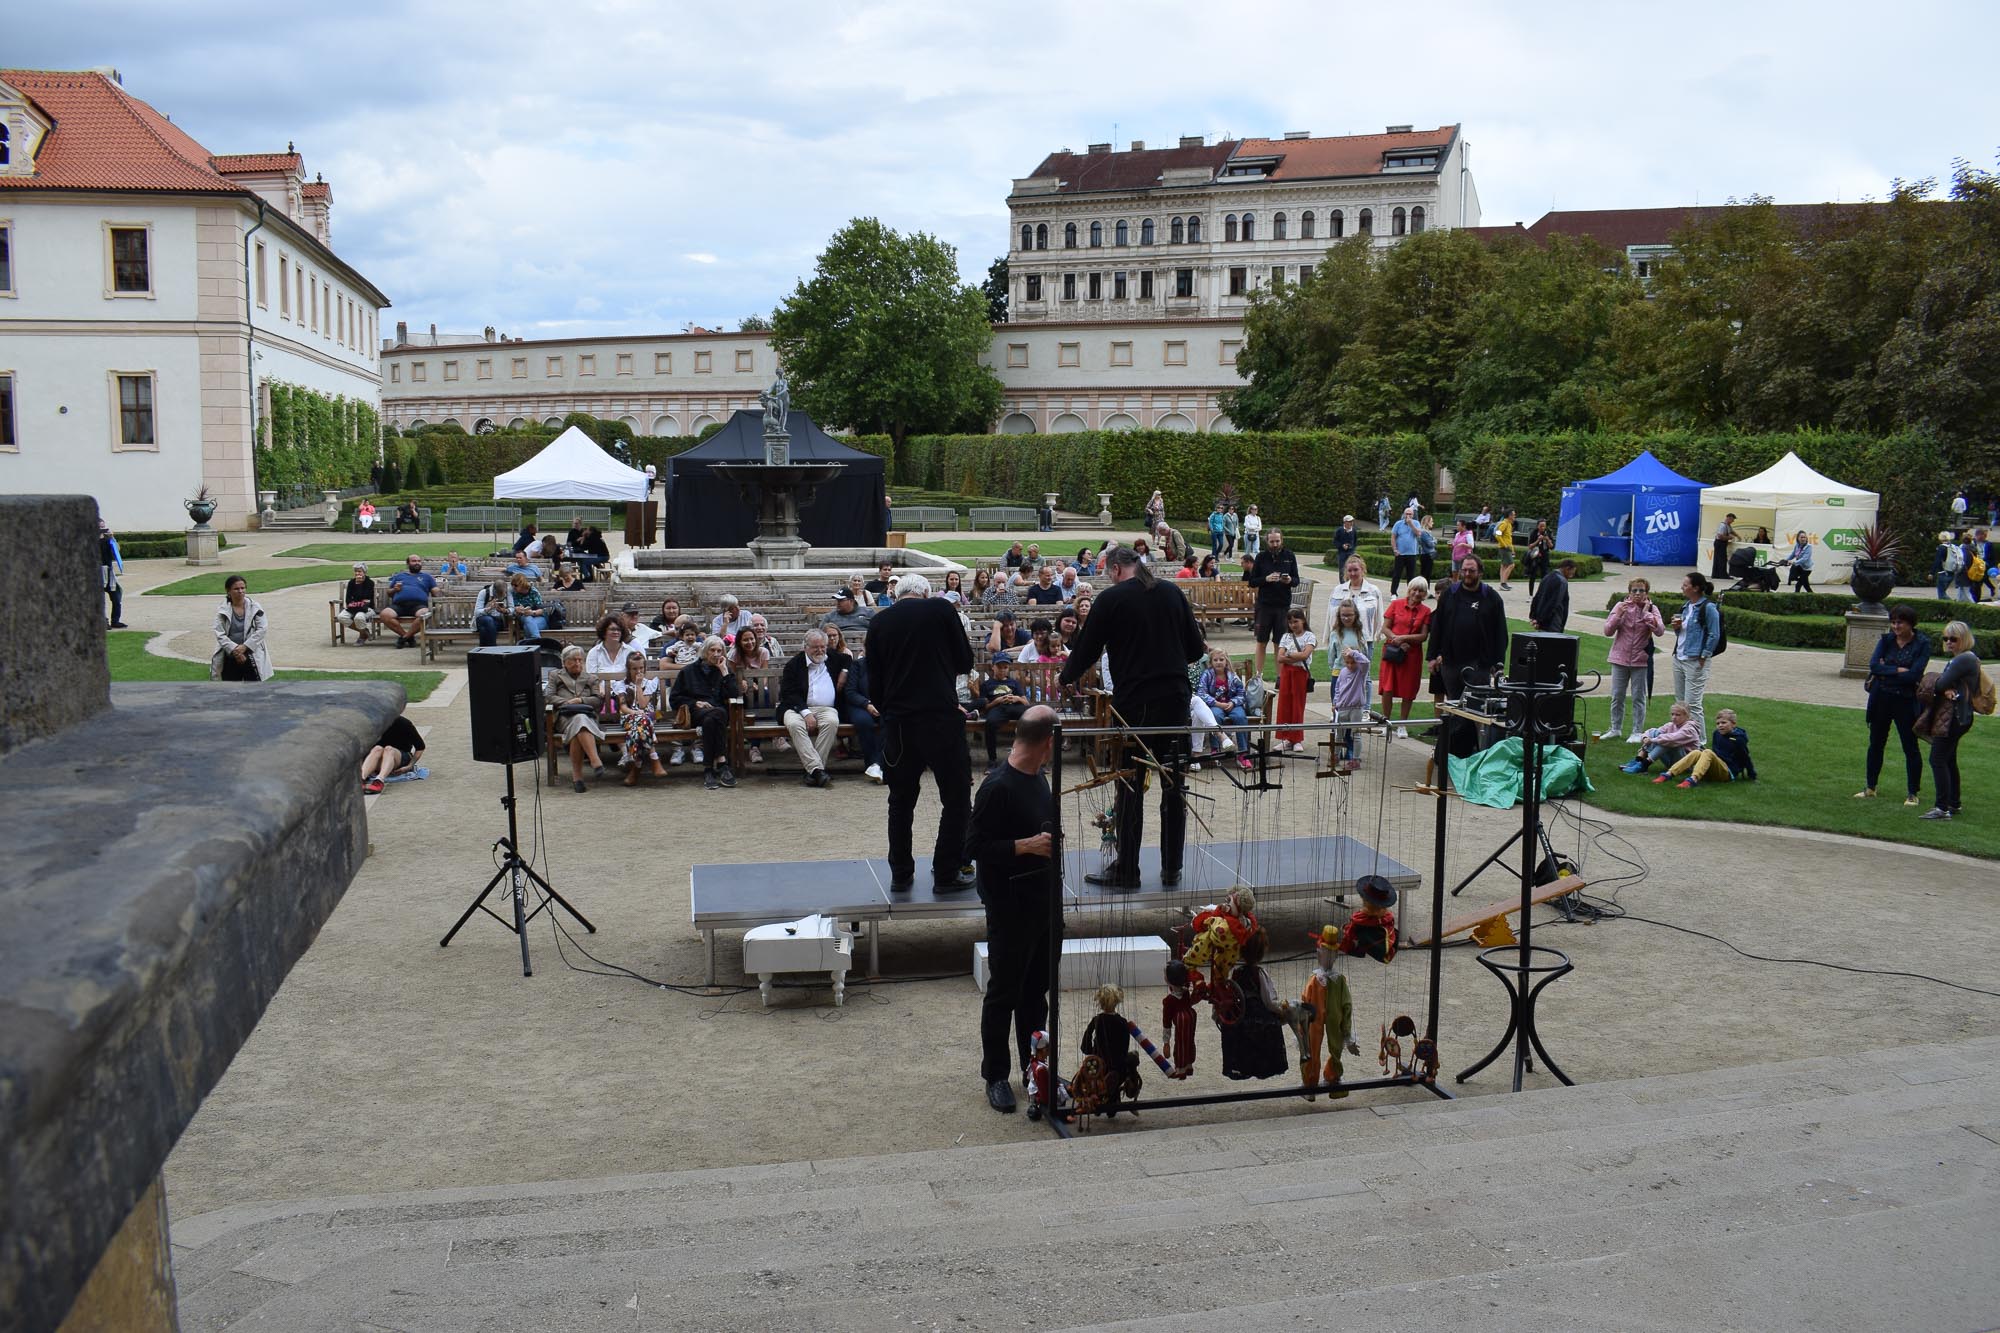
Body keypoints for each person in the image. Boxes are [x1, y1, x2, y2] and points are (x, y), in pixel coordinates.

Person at [1060, 545, 1208, 888]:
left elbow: (1086, 649)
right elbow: (1195, 649)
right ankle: (1173, 867)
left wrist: (1065, 677)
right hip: (1174, 701)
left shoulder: (1111, 600)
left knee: (1129, 786)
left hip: (1135, 705)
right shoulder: (1171, 592)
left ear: (1114, 570)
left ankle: (1128, 869)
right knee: (1175, 786)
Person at [967, 701, 1059, 1113]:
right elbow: (971, 848)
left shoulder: (1040, 778)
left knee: (1035, 993)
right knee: (1003, 993)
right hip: (1009, 908)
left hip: (1044, 905)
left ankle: (1033, 1066)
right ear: (1048, 741)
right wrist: (1024, 846)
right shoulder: (996, 787)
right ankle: (996, 1076)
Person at [869, 574, 977, 892]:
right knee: (956, 798)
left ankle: (901, 874)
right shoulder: (941, 609)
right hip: (939, 718)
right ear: (926, 592)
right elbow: (964, 660)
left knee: (900, 801)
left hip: (899, 724)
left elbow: (874, 685)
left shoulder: (879, 623)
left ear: (898, 593)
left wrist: (891, 709)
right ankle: (946, 872)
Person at [1428, 557, 1507, 756]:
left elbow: (1501, 633)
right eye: (1464, 570)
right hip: (1452, 663)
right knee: (1455, 707)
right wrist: (1432, 655)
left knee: (1475, 708)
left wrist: (1498, 663)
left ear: (1480, 572)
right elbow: (1437, 627)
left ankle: (1475, 751)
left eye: (1471, 571)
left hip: (1479, 664)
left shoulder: (1492, 597)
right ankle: (1451, 753)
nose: (1467, 574)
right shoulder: (1450, 595)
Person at [1858, 604, 1930, 805]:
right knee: (1876, 743)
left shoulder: (1922, 643)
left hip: (1905, 700)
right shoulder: (1886, 640)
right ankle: (1870, 787)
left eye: (1900, 622)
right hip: (1881, 698)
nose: (1896, 626)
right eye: (1893, 622)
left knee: (1910, 746)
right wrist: (1897, 670)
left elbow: (1915, 675)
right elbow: (1873, 666)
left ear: (1910, 623)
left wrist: (1887, 670)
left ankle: (1912, 792)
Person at [1922, 621, 1981, 821]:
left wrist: (1934, 680)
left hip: (1955, 717)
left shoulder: (1963, 659)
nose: (1948, 642)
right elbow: (1944, 683)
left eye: (1953, 639)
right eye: (1945, 638)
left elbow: (1941, 683)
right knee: (1948, 759)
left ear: (1963, 639)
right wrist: (1941, 684)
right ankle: (1953, 803)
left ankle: (1942, 808)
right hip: (1960, 716)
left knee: (1937, 759)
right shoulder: (1964, 659)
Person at [669, 636, 740, 790]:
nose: (716, 654)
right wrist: (695, 702)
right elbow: (674, 699)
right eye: (712, 650)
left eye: (719, 651)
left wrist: (725, 672)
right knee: (717, 714)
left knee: (713, 718)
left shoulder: (723, 670)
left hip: (716, 716)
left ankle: (708, 768)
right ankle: (721, 763)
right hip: (696, 713)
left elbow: (734, 694)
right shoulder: (688, 671)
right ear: (704, 652)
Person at [1600, 578, 1665, 742]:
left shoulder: (1652, 608)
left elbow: (1660, 631)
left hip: (1641, 660)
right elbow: (1608, 630)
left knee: (1638, 697)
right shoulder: (1620, 606)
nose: (1637, 594)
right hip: (1619, 658)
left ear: (1646, 592)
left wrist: (1646, 615)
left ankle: (1637, 731)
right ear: (1629, 592)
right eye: (1634, 590)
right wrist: (1619, 615)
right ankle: (1615, 728)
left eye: (1641, 590)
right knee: (1617, 696)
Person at [779, 630, 845, 788]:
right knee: (795, 725)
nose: (820, 651)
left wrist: (845, 672)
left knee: (831, 722)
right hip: (795, 708)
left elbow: (848, 659)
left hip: (826, 709)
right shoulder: (793, 665)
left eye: (823, 647)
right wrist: (806, 713)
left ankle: (813, 771)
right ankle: (817, 771)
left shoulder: (833, 658)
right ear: (805, 647)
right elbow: (789, 694)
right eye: (816, 647)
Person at [546, 647, 610, 793]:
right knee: (578, 721)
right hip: (563, 717)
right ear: (564, 662)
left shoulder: (591, 678)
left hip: (588, 717)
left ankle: (578, 777)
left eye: (580, 660)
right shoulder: (555, 676)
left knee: (579, 722)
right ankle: (595, 760)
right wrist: (567, 703)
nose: (578, 663)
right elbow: (548, 696)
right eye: (573, 660)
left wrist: (580, 700)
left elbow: (597, 701)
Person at [1244, 528, 1300, 679]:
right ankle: (1258, 675)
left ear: (1282, 540)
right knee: (1261, 641)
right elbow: (1252, 582)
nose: (1275, 544)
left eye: (1277, 541)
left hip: (1283, 606)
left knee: (1279, 643)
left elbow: (1296, 580)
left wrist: (1289, 581)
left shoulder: (1289, 556)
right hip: (1264, 606)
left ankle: (1279, 677)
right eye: (1272, 541)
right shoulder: (1261, 557)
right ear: (1267, 542)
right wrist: (1266, 579)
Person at [1669, 572, 1721, 735]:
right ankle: (1683, 737)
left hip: (1695, 660)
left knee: (1693, 704)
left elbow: (1715, 634)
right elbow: (1684, 633)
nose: (1682, 588)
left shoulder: (1708, 608)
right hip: (1679, 657)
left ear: (1696, 588)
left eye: (1685, 585)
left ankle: (1699, 741)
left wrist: (1704, 655)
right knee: (1681, 703)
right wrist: (1677, 628)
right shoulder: (1685, 607)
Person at [1659, 707, 1757, 789]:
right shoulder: (1716, 734)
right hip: (1715, 767)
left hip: (1728, 772)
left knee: (1707, 752)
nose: (1720, 726)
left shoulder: (1738, 739)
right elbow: (1716, 753)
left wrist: (1752, 775)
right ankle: (1669, 774)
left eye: (1724, 723)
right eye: (1718, 723)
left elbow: (1745, 757)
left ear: (1733, 724)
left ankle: (1693, 779)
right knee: (1697, 752)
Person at [1378, 578, 1431, 725]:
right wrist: (1397, 639)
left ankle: (1402, 724)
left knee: (1408, 689)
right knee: (1388, 687)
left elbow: (1423, 635)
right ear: (1409, 589)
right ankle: (1385, 721)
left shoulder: (1426, 611)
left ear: (1425, 593)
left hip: (1411, 654)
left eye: (1420, 590)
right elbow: (1385, 628)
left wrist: (1404, 639)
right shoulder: (1396, 604)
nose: (1416, 593)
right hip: (1392, 650)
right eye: (1414, 589)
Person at [1327, 600, 1371, 771]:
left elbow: (1366, 657)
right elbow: (1331, 656)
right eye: (1343, 615)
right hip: (1339, 673)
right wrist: (1338, 667)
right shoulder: (1335, 633)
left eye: (1350, 615)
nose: (1346, 617)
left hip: (1357, 674)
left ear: (1356, 615)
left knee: (1354, 727)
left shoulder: (1360, 633)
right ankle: (1337, 754)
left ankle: (1352, 754)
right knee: (1339, 721)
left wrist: (1354, 658)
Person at [612, 653, 669, 786]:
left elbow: (643, 704)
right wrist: (635, 712)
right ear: (628, 669)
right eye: (634, 669)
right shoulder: (620, 685)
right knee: (641, 721)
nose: (638, 671)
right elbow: (623, 707)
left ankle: (635, 766)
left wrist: (638, 686)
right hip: (629, 716)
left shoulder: (650, 683)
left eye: (641, 668)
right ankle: (654, 758)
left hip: (653, 715)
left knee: (644, 719)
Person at [1196, 648, 1252, 767]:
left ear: (1226, 661)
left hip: (1232, 705)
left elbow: (1242, 693)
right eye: (1215, 660)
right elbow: (1201, 693)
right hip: (1215, 705)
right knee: (1215, 716)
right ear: (1211, 662)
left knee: (1241, 717)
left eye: (1221, 659)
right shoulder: (1207, 674)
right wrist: (1216, 703)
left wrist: (1233, 702)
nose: (1219, 662)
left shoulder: (1233, 676)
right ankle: (1215, 750)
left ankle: (1243, 753)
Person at [211, 575, 272, 681]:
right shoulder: (222, 610)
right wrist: (235, 650)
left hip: (252, 654)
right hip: (230, 655)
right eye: (236, 589)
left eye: (242, 588)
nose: (240, 591)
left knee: (254, 690)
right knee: (230, 691)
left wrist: (244, 647)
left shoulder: (255, 607)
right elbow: (219, 633)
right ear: (228, 591)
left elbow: (262, 629)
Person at [976, 659, 1032, 768]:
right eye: (999, 667)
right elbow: (984, 708)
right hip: (998, 709)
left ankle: (1032, 758)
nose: (1002, 670)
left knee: (1033, 716)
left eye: (1005, 667)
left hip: (1014, 707)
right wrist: (996, 701)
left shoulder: (1014, 683)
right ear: (993, 667)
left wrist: (1016, 698)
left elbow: (1026, 703)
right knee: (990, 723)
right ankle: (992, 761)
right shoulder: (987, 685)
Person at [1274, 607, 1315, 752]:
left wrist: (1289, 655)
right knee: (1284, 704)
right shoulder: (1286, 637)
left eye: (1296, 621)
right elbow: (1279, 658)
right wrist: (1294, 656)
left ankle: (1297, 738)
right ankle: (1285, 738)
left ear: (1303, 620)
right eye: (1290, 622)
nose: (1293, 625)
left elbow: (1305, 655)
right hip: (1286, 673)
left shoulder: (1309, 636)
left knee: (1297, 705)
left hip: (1300, 673)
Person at [1621, 702, 1700, 774]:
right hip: (1673, 762)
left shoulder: (1690, 729)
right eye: (1672, 714)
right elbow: (1651, 731)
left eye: (1678, 715)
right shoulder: (1671, 725)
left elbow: (1672, 738)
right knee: (1655, 733)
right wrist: (1645, 737)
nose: (1674, 717)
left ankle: (1644, 765)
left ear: (1687, 716)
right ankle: (1638, 760)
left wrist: (1652, 740)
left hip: (1686, 765)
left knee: (1668, 741)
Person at [375, 555, 436, 648]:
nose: (417, 563)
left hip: (419, 605)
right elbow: (389, 592)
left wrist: (438, 590)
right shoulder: (399, 576)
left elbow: (435, 590)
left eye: (419, 561)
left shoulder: (427, 577)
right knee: (385, 615)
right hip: (399, 605)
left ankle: (404, 638)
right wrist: (395, 589)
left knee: (424, 615)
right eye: (414, 561)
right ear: (408, 563)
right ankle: (408, 637)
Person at [1324, 555, 1383, 648]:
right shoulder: (1337, 590)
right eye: (1350, 570)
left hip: (1364, 641)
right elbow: (1329, 616)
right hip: (1340, 639)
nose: (1353, 573)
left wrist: (1378, 635)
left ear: (1362, 570)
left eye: (1356, 570)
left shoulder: (1373, 591)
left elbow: (1379, 617)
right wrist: (1327, 637)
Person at [359, 715, 425, 794]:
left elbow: (420, 747)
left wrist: (410, 766)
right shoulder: (371, 725)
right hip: (378, 758)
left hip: (399, 757)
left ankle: (379, 780)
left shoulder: (404, 723)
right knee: (377, 748)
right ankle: (361, 779)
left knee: (388, 749)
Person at [1529, 558, 1575, 633]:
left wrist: (1535, 618)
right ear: (1567, 569)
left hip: (1542, 622)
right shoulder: (1562, 581)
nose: (1571, 576)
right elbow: (1554, 603)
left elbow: (1537, 598)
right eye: (1572, 573)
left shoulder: (1546, 577)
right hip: (1553, 623)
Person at [585, 613, 637, 677]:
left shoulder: (630, 652)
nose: (616, 632)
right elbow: (591, 679)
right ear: (604, 631)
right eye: (612, 629)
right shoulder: (594, 653)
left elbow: (634, 677)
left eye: (618, 629)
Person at [337, 564, 377, 643]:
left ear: (364, 572)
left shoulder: (370, 583)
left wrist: (359, 585)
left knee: (358, 618)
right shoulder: (351, 582)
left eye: (359, 571)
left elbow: (367, 599)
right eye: (356, 571)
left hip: (366, 609)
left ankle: (362, 637)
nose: (357, 574)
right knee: (341, 617)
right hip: (353, 608)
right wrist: (358, 602)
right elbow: (348, 600)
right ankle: (364, 632)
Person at [98, 520, 127, 627]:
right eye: (100, 527)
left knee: (116, 596)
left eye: (104, 527)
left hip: (108, 571)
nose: (103, 529)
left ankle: (115, 621)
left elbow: (117, 552)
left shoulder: (108, 540)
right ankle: (103, 621)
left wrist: (112, 537)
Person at [472, 574, 512, 647]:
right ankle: (493, 649)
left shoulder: (508, 592)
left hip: (499, 621)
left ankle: (485, 652)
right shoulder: (484, 593)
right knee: (488, 620)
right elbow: (477, 613)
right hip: (482, 619)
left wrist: (504, 610)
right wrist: (488, 608)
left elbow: (512, 609)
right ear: (494, 591)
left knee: (484, 629)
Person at [503, 573, 546, 639]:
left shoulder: (533, 592)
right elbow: (509, 608)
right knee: (527, 618)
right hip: (522, 618)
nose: (513, 587)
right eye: (512, 585)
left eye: (516, 585)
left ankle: (532, 643)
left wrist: (532, 612)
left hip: (538, 618)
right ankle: (538, 641)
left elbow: (541, 610)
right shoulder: (512, 592)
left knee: (527, 627)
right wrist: (516, 609)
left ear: (522, 584)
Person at [1388, 508, 1420, 595]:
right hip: (1400, 553)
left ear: (1413, 515)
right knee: (1397, 574)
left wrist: (1411, 524)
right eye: (1406, 514)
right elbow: (1393, 537)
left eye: (1410, 514)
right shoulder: (1398, 524)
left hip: (1412, 553)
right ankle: (1393, 593)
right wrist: (1394, 549)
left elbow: (1418, 534)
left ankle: (1411, 593)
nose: (1408, 516)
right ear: (1404, 514)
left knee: (1411, 575)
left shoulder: (1416, 523)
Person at [1524, 521, 1554, 594]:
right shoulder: (1534, 533)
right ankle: (1530, 594)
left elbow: (1551, 547)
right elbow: (1530, 546)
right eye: (1541, 526)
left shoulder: (1548, 532)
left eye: (1544, 526)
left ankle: (1543, 593)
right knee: (1532, 576)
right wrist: (1538, 540)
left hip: (1545, 556)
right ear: (1538, 526)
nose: (1542, 528)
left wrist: (1547, 540)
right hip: (1535, 556)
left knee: (1545, 577)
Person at [1934, 531, 1962, 599]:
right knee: (1943, 592)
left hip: (1943, 572)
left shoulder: (1941, 547)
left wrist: (1931, 572)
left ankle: (1953, 604)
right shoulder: (1953, 547)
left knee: (1941, 594)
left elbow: (1937, 561)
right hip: (1952, 571)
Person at [1493, 509, 1517, 590]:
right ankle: (1503, 583)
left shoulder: (1509, 524)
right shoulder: (1504, 524)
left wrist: (1512, 549)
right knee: (1511, 565)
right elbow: (1498, 535)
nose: (1514, 516)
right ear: (1509, 516)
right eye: (1513, 515)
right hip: (1504, 548)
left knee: (1504, 565)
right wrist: (1505, 545)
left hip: (1507, 547)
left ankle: (1503, 583)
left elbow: (1509, 538)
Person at [1711, 512, 1737, 580]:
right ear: (1729, 518)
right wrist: (1729, 538)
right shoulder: (1723, 526)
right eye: (1732, 519)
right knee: (1722, 559)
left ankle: (1716, 574)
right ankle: (1723, 575)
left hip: (1721, 543)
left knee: (1718, 559)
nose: (1733, 521)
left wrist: (1738, 536)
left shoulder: (1728, 525)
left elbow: (1731, 531)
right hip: (1720, 543)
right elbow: (1720, 536)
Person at [1417, 515, 1438, 585]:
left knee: (1427, 574)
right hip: (1427, 555)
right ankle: (1425, 591)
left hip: (1428, 555)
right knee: (1426, 575)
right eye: (1431, 521)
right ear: (1427, 522)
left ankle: (1426, 590)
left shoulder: (1427, 532)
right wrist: (1434, 540)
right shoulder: (1424, 532)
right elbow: (1430, 544)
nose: (1433, 523)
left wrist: (1433, 540)